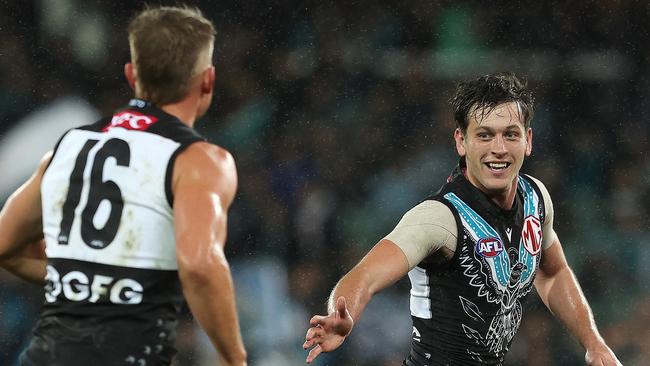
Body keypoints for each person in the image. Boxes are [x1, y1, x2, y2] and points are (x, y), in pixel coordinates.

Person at [303, 72, 622, 365]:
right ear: (461, 141)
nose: (498, 148)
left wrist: (593, 343)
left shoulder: (536, 198)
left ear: (528, 141)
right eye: (484, 135)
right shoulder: (439, 218)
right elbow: (366, 275)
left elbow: (552, 274)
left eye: (510, 135)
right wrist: (341, 314)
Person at [0, 5, 247, 366]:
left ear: (132, 75)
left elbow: (5, 246)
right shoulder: (201, 161)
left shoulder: (68, 145)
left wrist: (83, 279)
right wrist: (233, 358)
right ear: (207, 80)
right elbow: (199, 265)